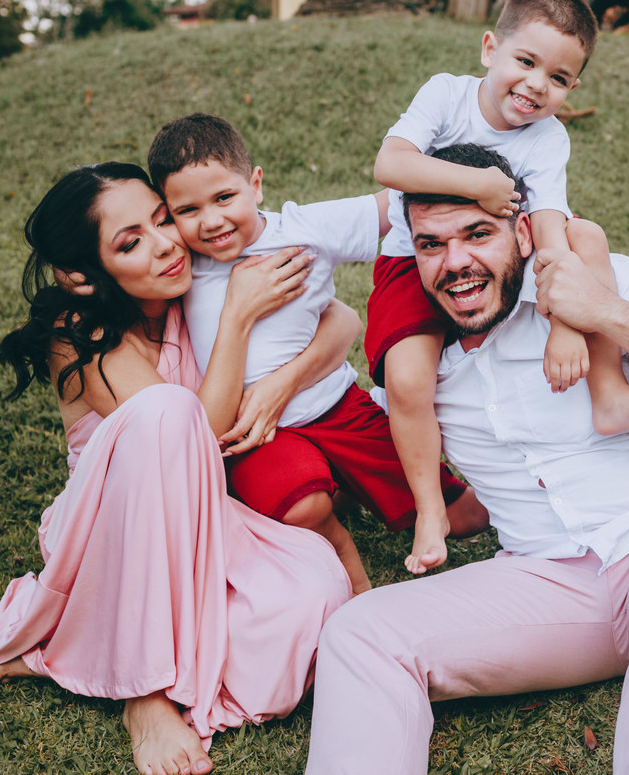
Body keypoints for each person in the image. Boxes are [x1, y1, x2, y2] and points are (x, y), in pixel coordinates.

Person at [305, 145, 629, 775]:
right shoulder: (420, 373)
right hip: (550, 586)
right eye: (431, 245)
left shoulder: (602, 283)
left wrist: (609, 314)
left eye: (477, 234)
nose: (456, 264)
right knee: (359, 630)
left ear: (524, 230)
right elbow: (343, 432)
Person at [0, 162, 355, 775]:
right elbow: (189, 437)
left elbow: (344, 322)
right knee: (165, 410)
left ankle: (105, 650)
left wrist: (280, 384)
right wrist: (235, 318)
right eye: (131, 242)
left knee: (316, 593)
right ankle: (144, 696)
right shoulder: (78, 333)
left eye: (161, 219)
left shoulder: (198, 278)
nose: (165, 246)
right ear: (80, 275)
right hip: (113, 532)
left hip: (207, 518)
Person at [368, 0, 629, 577]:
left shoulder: (547, 138)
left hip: (500, 264)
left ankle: (609, 390)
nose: (538, 85)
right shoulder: (447, 95)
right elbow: (391, 165)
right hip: (416, 263)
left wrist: (565, 325)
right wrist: (480, 188)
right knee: (409, 383)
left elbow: (549, 230)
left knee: (585, 237)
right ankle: (432, 508)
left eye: (559, 78)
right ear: (490, 48)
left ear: (573, 88)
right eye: (526, 61)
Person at [146, 113, 488, 595]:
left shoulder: (303, 228)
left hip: (337, 407)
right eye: (188, 210)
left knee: (466, 516)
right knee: (302, 506)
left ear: (256, 184)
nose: (212, 221)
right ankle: (346, 563)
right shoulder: (180, 269)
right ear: (169, 214)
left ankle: (348, 484)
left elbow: (400, 202)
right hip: (260, 435)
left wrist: (491, 172)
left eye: (225, 197)